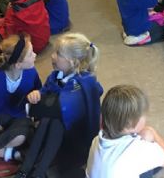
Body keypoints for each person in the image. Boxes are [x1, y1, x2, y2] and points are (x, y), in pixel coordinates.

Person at [16, 33, 103, 178]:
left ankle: (37, 172)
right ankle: (26, 169)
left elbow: (64, 108)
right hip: (54, 127)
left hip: (76, 135)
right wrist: (37, 94)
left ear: (72, 62)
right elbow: (45, 94)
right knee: (48, 120)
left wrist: (42, 107)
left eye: (58, 54)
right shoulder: (55, 75)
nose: (52, 56)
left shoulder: (84, 82)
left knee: (55, 121)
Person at [86, 84, 164, 178]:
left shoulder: (96, 140)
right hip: (140, 153)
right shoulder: (139, 149)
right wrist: (152, 132)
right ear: (133, 123)